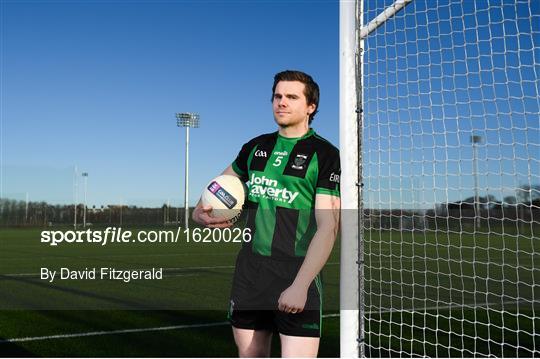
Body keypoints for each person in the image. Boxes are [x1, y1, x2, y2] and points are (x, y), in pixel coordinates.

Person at [192, 70, 340, 357]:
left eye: (291, 97)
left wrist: (300, 285)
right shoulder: (255, 147)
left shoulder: (324, 154)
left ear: (311, 107)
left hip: (296, 270)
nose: (281, 102)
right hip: (250, 272)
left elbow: (328, 227)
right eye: (277, 96)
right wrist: (200, 214)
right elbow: (216, 188)